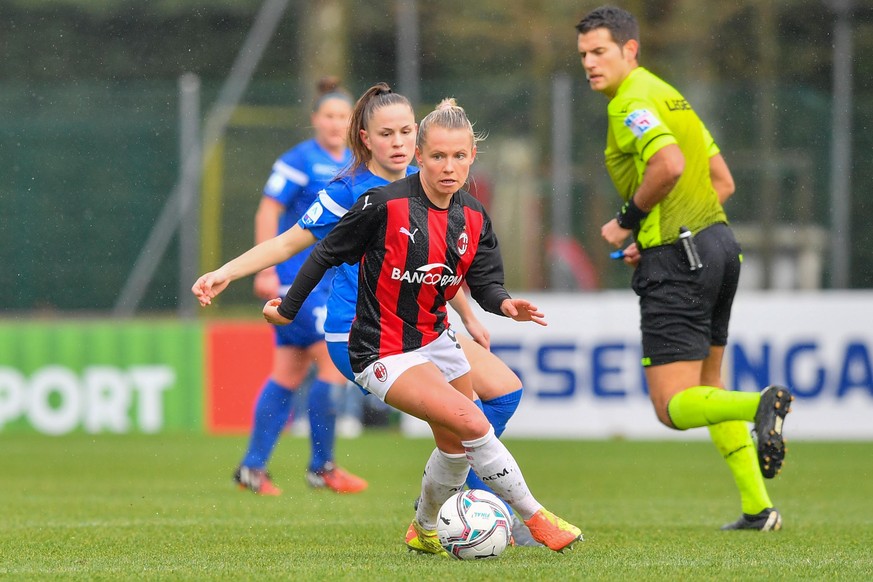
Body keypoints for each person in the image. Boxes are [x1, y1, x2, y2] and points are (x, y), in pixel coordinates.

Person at [193, 83, 539, 545]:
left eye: (405, 133)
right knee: (463, 421)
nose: (398, 143)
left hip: (422, 327)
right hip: (362, 333)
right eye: (386, 134)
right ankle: (475, 511)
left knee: (502, 395)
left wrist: (469, 312)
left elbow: (442, 256)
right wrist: (226, 272)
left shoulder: (431, 179)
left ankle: (457, 507)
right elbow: (288, 241)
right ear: (365, 139)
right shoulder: (350, 191)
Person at [262, 97, 584, 554]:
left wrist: (505, 304)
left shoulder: (472, 215)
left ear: (472, 157)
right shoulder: (381, 204)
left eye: (458, 157)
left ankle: (424, 528)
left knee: (454, 445)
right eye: (437, 156)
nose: (448, 167)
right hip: (380, 348)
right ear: (420, 157)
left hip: (435, 340)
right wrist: (289, 308)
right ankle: (535, 518)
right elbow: (325, 252)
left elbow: (485, 281)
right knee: (472, 421)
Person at [576, 6, 793, 531]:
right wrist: (653, 235)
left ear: (631, 49)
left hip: (681, 261)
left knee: (671, 407)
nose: (589, 63)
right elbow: (722, 181)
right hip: (719, 247)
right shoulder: (671, 95)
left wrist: (629, 222)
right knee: (709, 385)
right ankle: (758, 508)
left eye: (600, 51)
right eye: (583, 54)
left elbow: (668, 165)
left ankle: (761, 403)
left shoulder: (631, 101)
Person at [233, 76, 367, 496]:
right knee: (331, 362)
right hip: (295, 280)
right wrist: (264, 270)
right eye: (328, 116)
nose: (334, 123)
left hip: (329, 281)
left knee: (289, 370)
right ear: (315, 120)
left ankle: (252, 468)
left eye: (343, 116)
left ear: (353, 123)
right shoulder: (299, 159)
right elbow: (268, 210)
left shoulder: (356, 164)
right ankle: (321, 466)